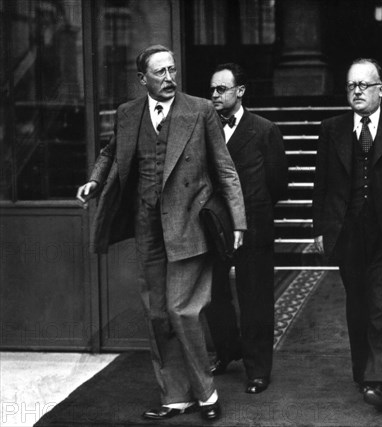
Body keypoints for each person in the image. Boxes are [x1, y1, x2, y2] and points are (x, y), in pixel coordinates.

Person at [76, 45, 246, 422]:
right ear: (143, 80)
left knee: (181, 310)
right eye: (160, 73)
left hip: (189, 224)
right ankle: (176, 396)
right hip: (147, 226)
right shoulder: (127, 113)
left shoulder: (200, 110)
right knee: (157, 314)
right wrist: (93, 180)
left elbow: (226, 169)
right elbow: (109, 152)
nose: (170, 78)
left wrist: (239, 222)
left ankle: (207, 393)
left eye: (172, 70)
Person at [312, 58, 382, 413]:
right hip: (347, 230)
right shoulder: (332, 128)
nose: (356, 92)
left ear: (380, 90)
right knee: (358, 305)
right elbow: (321, 184)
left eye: (363, 85)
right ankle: (364, 373)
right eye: (351, 86)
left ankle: (381, 381)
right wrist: (319, 229)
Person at [205, 63, 288, 394]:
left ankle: (257, 369)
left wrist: (252, 207)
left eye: (221, 89)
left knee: (255, 299)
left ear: (240, 91)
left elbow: (279, 183)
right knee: (213, 295)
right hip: (213, 224)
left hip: (254, 226)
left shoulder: (264, 129)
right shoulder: (204, 127)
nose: (214, 95)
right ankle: (227, 352)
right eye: (211, 89)